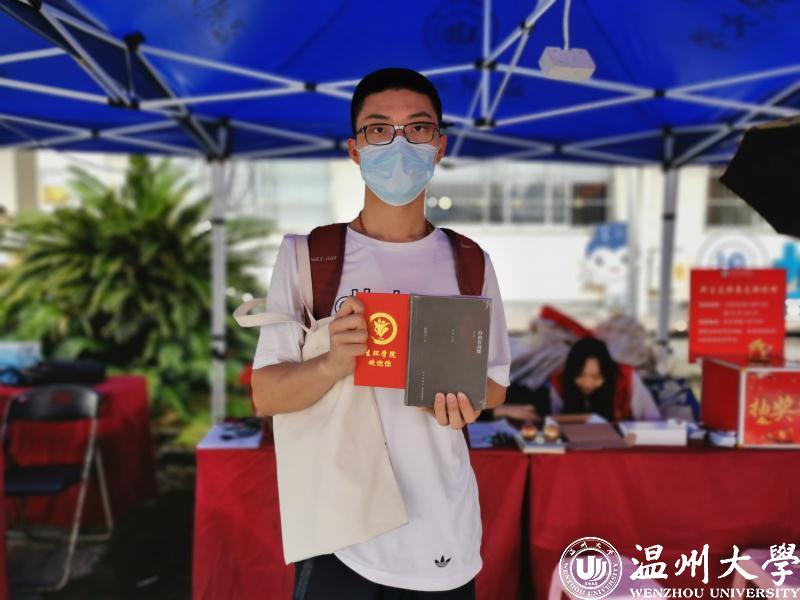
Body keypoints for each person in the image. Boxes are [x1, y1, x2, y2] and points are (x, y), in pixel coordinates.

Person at [250, 67, 511, 599]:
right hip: (340, 527)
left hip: (440, 526)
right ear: (355, 148)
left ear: (439, 145)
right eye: (378, 129)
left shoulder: (469, 262)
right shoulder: (309, 257)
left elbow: (495, 385)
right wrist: (331, 363)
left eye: (418, 128)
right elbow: (267, 395)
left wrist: (462, 402)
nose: (398, 143)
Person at [549, 337, 660, 422]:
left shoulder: (627, 379)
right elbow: (556, 425)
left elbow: (654, 421)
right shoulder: (559, 382)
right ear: (570, 373)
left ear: (607, 374)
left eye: (596, 377)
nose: (588, 383)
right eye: (580, 375)